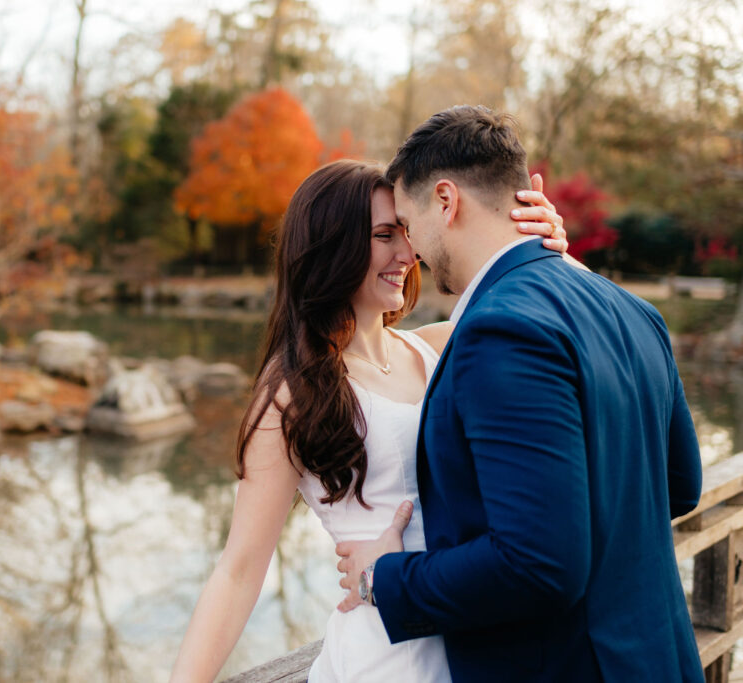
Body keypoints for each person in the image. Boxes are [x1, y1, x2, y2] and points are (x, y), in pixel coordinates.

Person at [336, 105, 704, 682]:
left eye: (408, 224)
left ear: (446, 201)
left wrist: (387, 577)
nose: (413, 253)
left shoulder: (498, 330)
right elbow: (680, 485)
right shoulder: (633, 311)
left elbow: (539, 564)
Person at [169, 157, 569, 682]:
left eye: (406, 232)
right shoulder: (294, 392)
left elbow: (566, 316)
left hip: (480, 638)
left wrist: (551, 245)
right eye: (384, 235)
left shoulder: (441, 346)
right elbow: (240, 570)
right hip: (387, 657)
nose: (408, 252)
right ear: (332, 247)